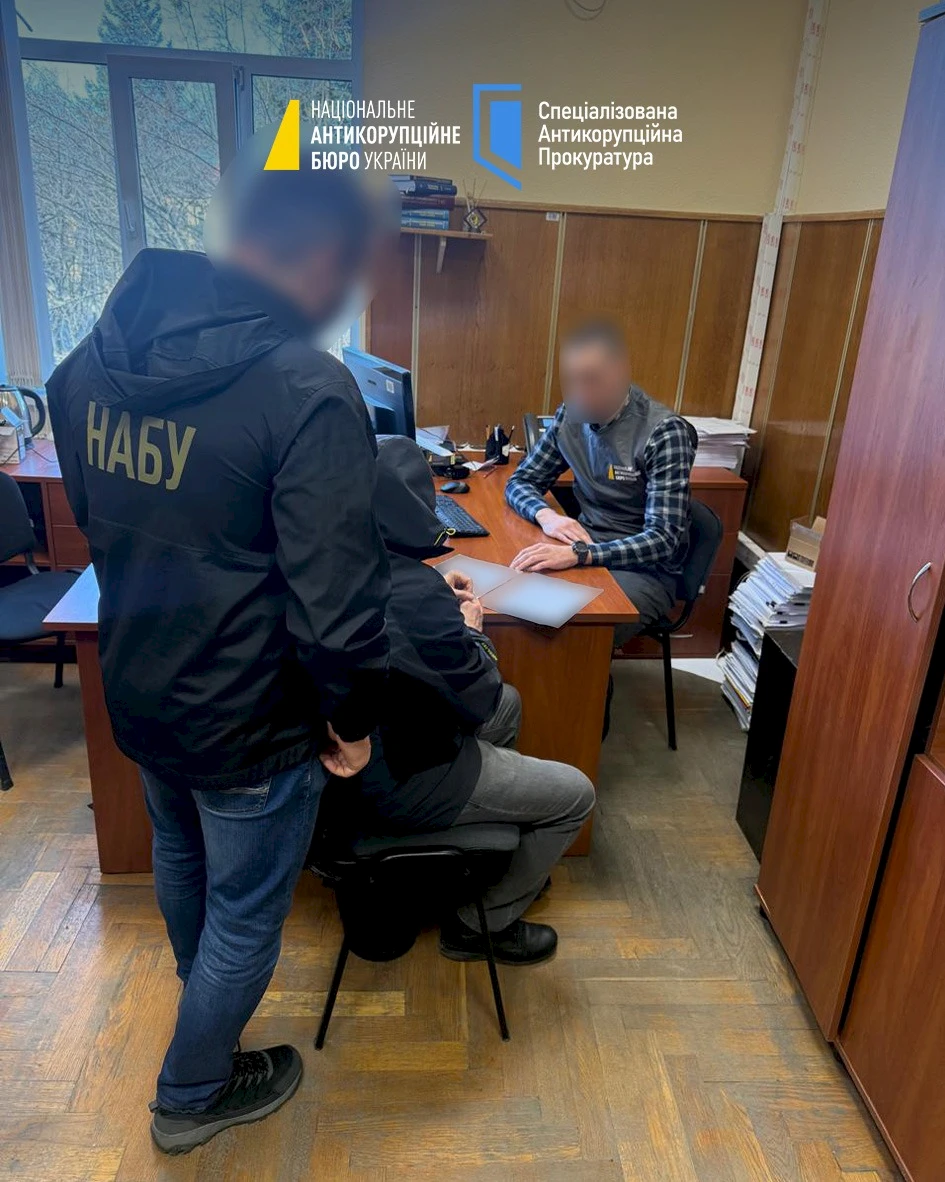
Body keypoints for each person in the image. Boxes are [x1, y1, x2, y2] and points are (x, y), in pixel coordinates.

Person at [46, 164, 392, 1154]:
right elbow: (336, 604)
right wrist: (353, 721)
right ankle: (193, 1091)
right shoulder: (306, 387)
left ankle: (204, 1006)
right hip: (250, 717)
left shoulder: (92, 361)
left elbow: (97, 517)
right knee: (243, 911)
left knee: (181, 855)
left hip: (143, 685)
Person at [317, 437, 595, 965]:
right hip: (405, 777)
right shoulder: (415, 591)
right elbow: (479, 699)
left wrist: (436, 605)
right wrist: (469, 630)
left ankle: (480, 853)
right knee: (576, 795)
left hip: (349, 762)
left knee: (512, 703)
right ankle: (477, 926)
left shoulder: (332, 568)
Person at [506, 320, 697, 643]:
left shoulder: (664, 433)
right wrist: (546, 515)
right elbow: (521, 480)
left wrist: (582, 554)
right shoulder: (570, 415)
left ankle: (584, 675)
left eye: (591, 379)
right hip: (583, 546)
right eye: (573, 379)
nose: (580, 392)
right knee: (513, 604)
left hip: (643, 569)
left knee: (566, 633)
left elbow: (663, 539)